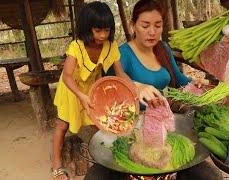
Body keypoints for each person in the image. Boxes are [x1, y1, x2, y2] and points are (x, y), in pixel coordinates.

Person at [51, 2, 132, 180]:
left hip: (92, 89)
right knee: (63, 125)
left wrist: (133, 93)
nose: (103, 35)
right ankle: (56, 166)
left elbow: (120, 73)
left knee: (98, 125)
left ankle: (104, 160)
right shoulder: (76, 46)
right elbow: (67, 76)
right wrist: (80, 95)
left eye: (107, 30)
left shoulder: (111, 46)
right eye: (98, 30)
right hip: (71, 89)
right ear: (88, 28)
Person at [107, 0, 205, 109]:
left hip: (161, 117)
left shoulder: (163, 48)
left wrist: (194, 82)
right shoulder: (122, 54)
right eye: (145, 26)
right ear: (133, 25)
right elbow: (111, 86)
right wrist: (137, 86)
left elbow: (178, 79)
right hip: (133, 121)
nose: (152, 32)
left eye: (158, 26)